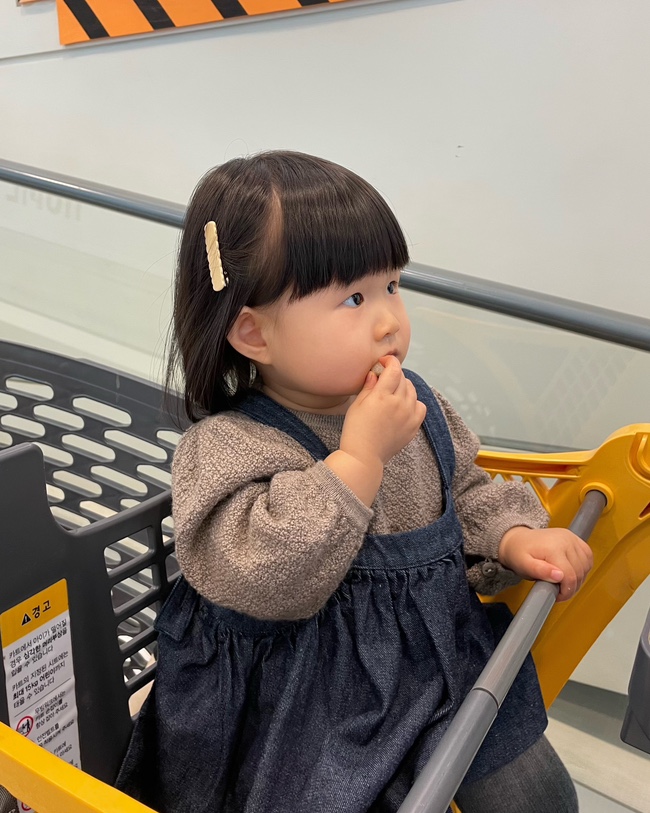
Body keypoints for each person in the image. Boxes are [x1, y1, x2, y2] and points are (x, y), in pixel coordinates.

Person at [116, 150, 592, 813]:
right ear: (252, 332)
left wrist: (512, 536)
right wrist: (359, 461)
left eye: (393, 285)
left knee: (538, 796)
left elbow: (464, 488)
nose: (389, 318)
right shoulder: (226, 446)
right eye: (354, 298)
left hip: (439, 667)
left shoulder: (414, 403)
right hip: (299, 714)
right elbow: (260, 575)